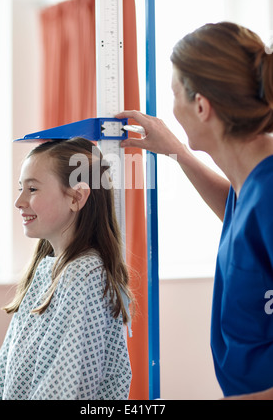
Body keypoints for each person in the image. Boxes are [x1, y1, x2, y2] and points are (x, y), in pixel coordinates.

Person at [117, 21, 273, 400]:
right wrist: (177, 152)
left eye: (174, 94)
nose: (172, 108)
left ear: (201, 106)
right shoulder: (252, 184)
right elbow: (242, 219)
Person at [0, 138, 132, 400]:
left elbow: (64, 388)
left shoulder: (84, 276)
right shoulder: (46, 270)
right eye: (20, 189)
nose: (19, 201)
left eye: (32, 189)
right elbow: (3, 374)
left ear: (76, 197)